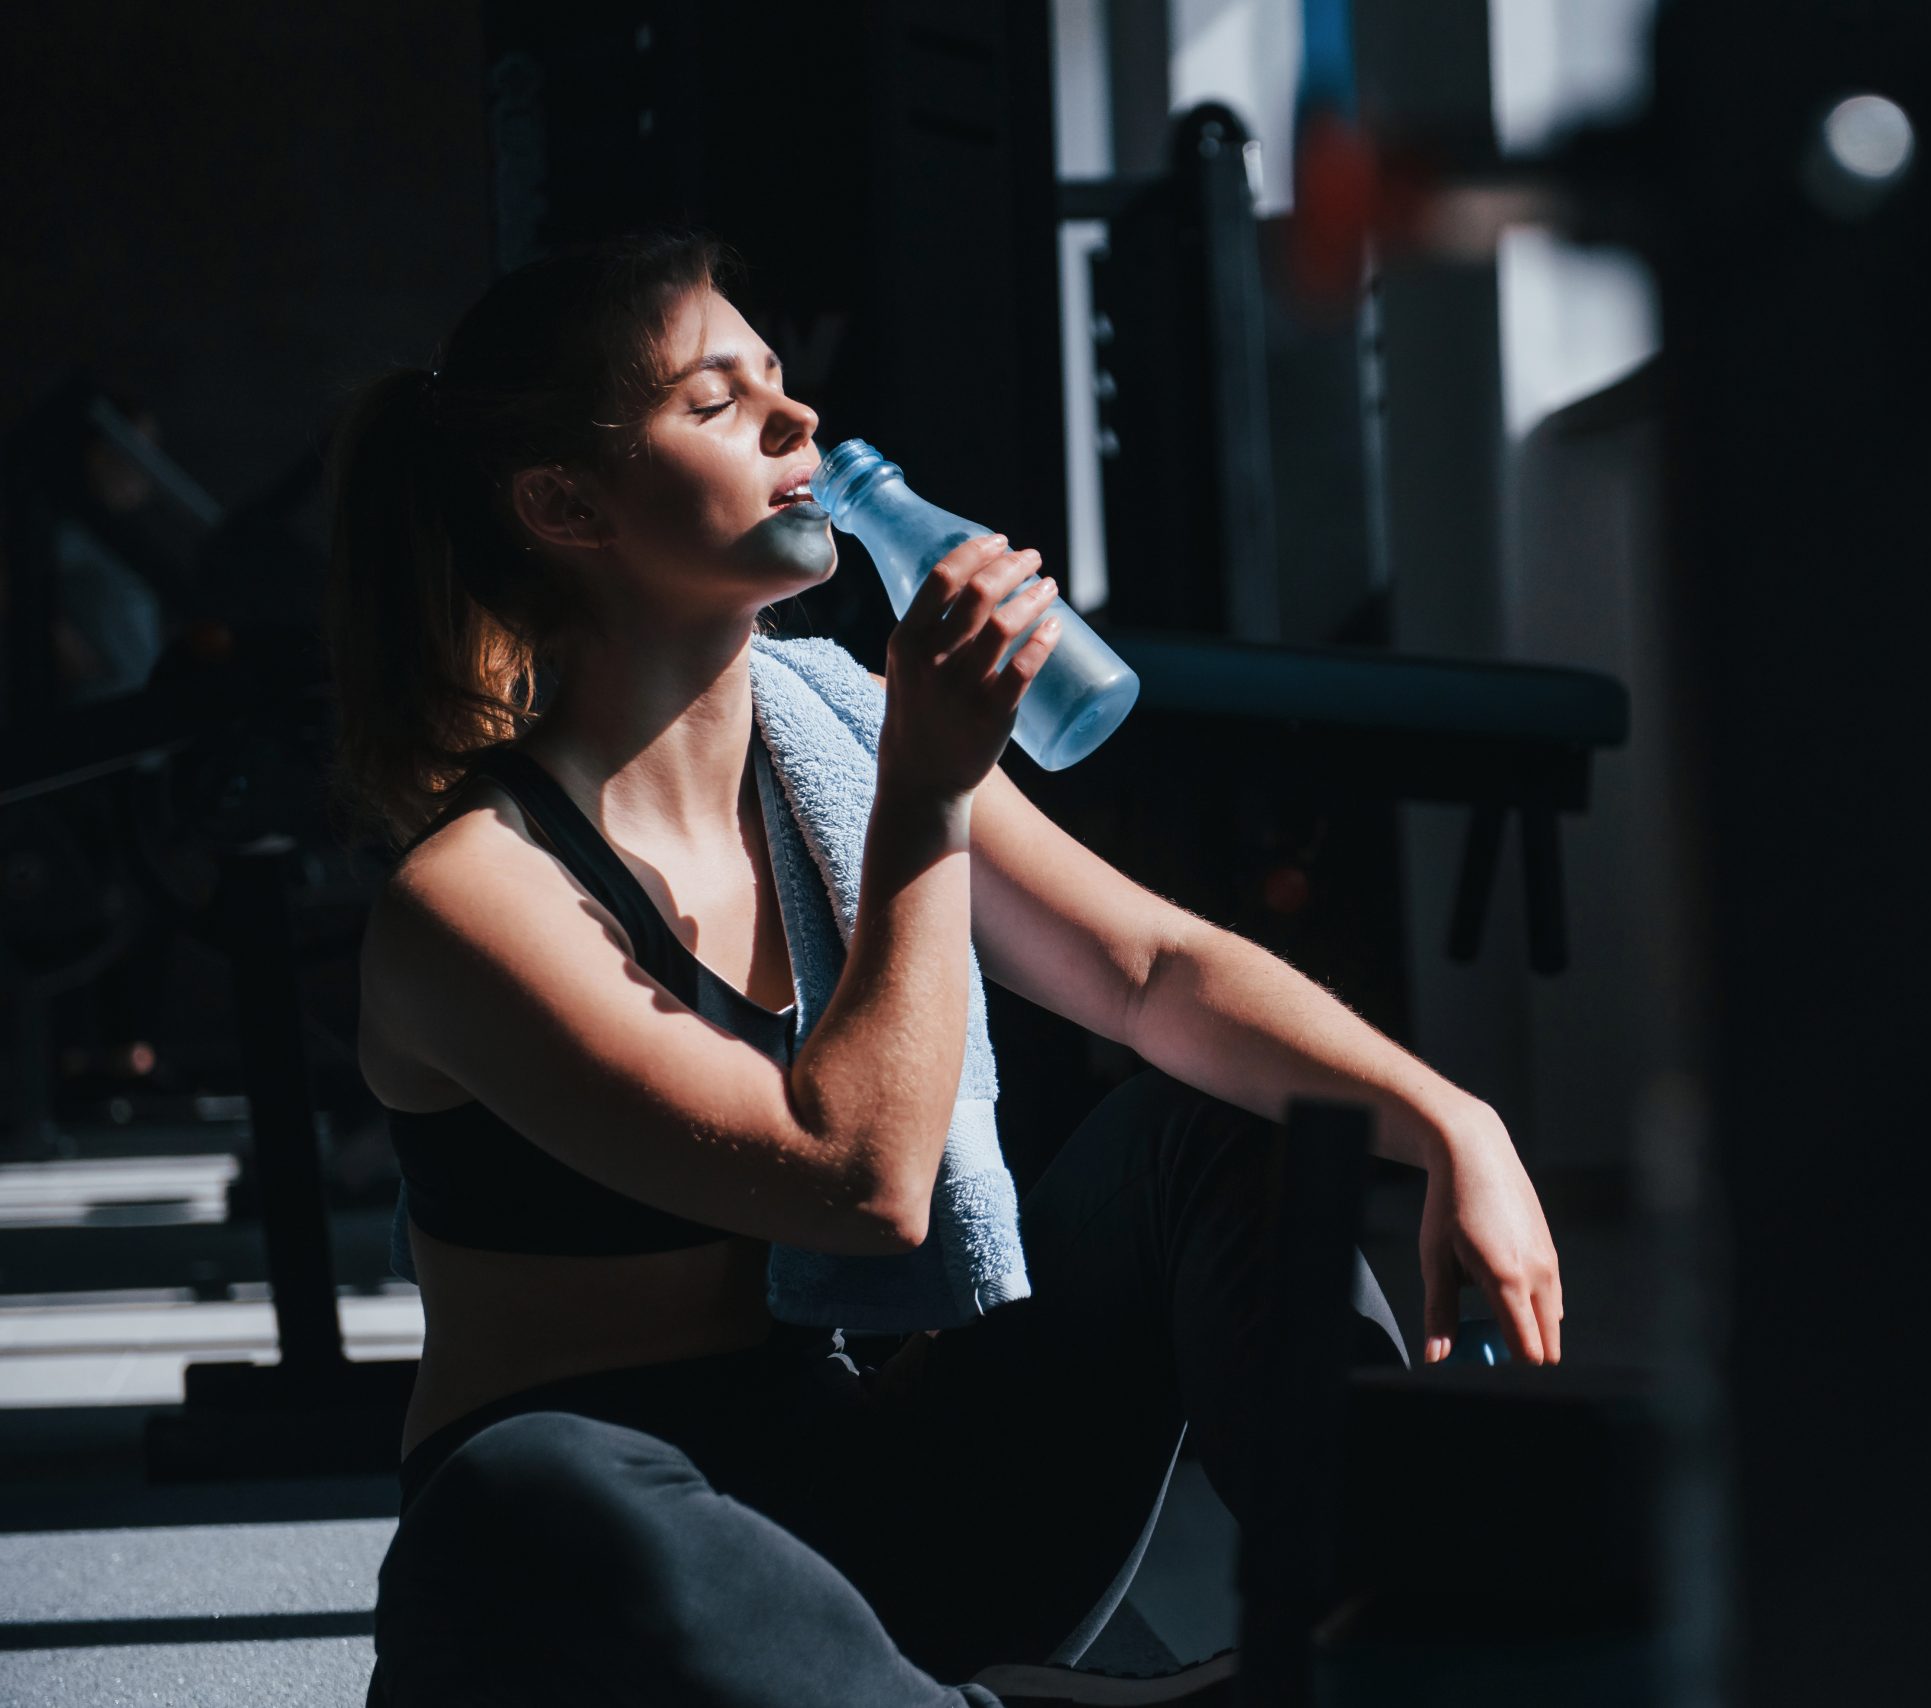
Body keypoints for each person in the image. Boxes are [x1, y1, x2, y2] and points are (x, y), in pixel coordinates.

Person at [328, 230, 1564, 1707]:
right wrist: (923, 800)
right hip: (623, 1582)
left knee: (1203, 1130)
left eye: (783, 384)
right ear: (563, 502)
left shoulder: (829, 725)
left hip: (869, 1502)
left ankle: (1403, 1627)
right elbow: (857, 1179)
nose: (798, 423)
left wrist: (1451, 1124)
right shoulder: (473, 899)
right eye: (718, 403)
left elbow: (1151, 968)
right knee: (523, 1497)